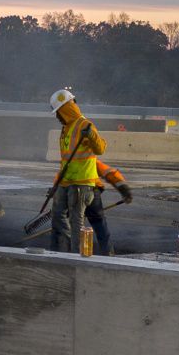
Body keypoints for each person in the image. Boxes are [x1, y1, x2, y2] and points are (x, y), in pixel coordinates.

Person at [48, 89, 107, 253]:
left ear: (65, 109)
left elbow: (100, 149)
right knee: (57, 214)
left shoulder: (85, 125)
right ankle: (66, 249)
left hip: (82, 183)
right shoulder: (66, 128)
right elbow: (66, 160)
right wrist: (56, 184)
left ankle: (76, 255)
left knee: (76, 222)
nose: (57, 116)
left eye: (58, 112)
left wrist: (91, 136)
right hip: (66, 181)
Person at [64, 159, 133, 256]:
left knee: (76, 224)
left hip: (76, 193)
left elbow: (61, 181)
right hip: (92, 191)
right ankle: (107, 252)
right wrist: (124, 190)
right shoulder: (90, 159)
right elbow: (110, 173)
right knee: (99, 222)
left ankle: (75, 253)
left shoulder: (70, 161)